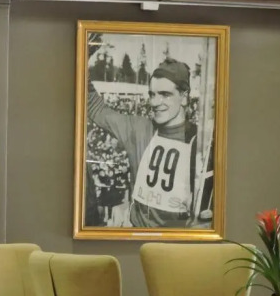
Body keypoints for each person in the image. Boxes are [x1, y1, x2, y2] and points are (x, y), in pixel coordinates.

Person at [87, 53, 205, 228]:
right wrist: (83, 57)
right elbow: (95, 107)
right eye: (152, 94)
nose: (155, 102)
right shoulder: (139, 129)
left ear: (184, 97)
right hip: (138, 234)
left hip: (177, 239)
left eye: (165, 94)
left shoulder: (200, 140)